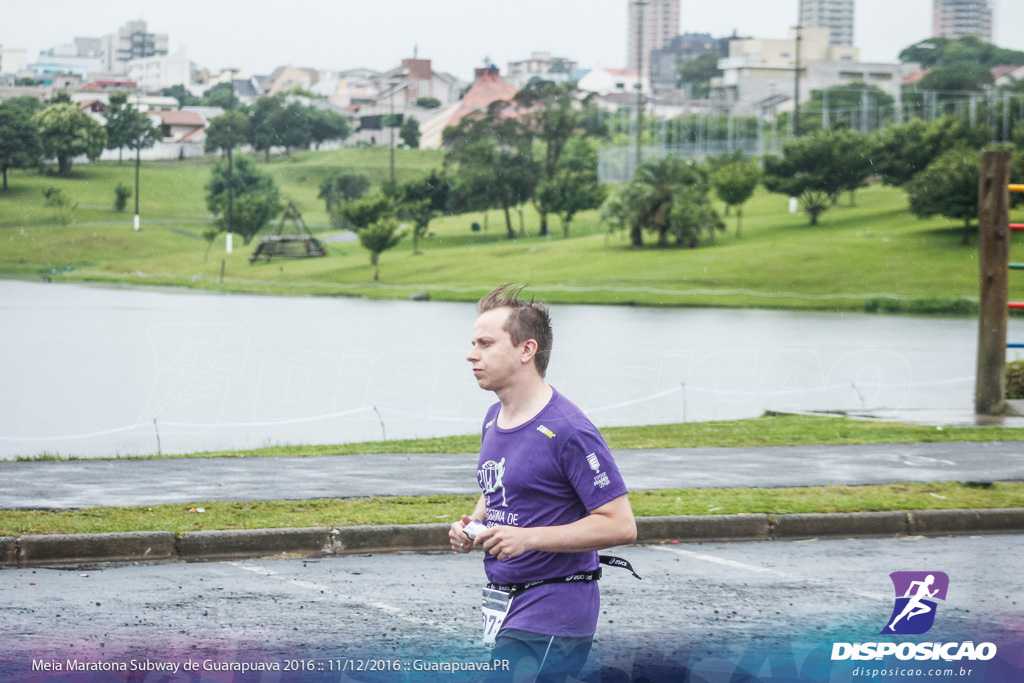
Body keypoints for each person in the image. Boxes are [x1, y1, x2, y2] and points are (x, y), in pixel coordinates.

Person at [449, 284, 637, 682]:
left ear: (526, 350)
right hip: (508, 604)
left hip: (555, 609)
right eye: (472, 343)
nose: (471, 354)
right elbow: (498, 487)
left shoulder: (569, 431)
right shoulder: (493, 418)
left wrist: (528, 538)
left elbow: (620, 525)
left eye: (485, 343)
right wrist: (473, 527)